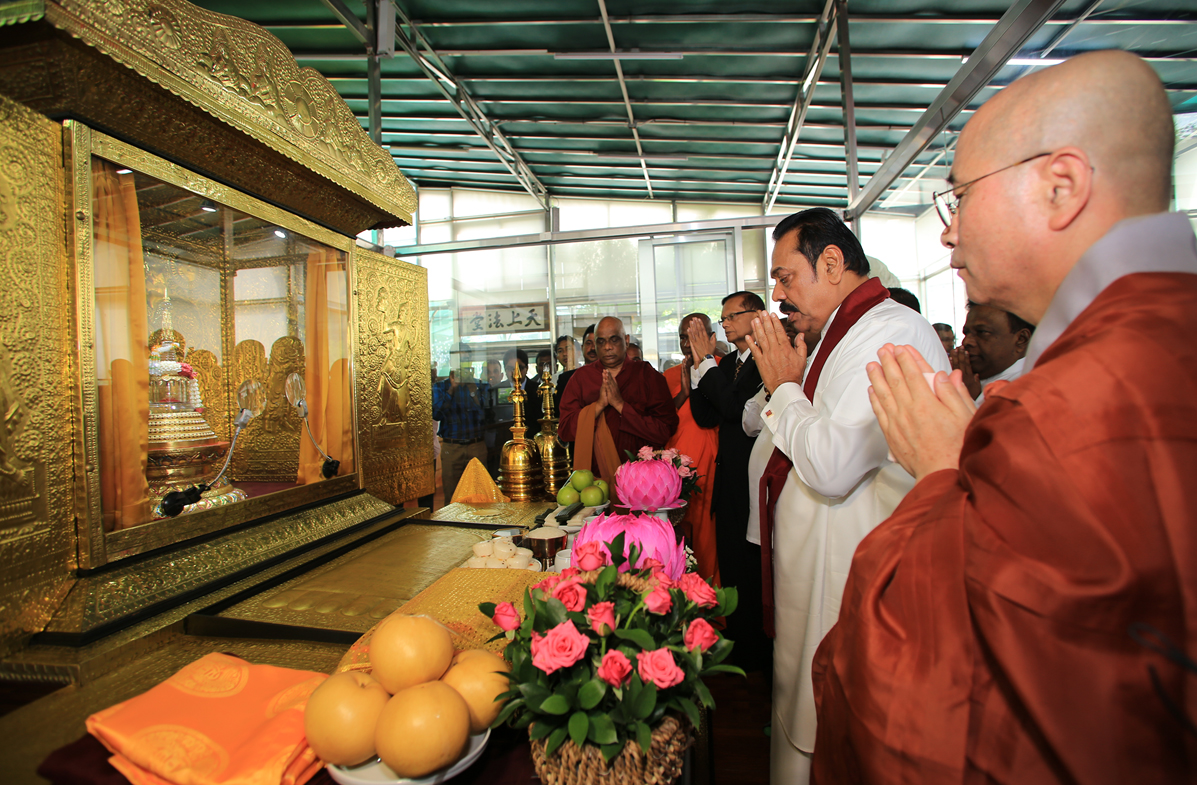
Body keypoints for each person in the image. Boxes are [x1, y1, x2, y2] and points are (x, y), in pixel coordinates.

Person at [813, 51, 1197, 784]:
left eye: (958, 195)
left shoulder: (1072, 403)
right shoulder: (1152, 345)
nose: (948, 233)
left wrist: (939, 479)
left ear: (1061, 186)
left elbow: (937, 711)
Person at [745, 207, 948, 784]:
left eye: (785, 276)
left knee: (826, 740)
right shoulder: (843, 331)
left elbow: (832, 465)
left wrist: (785, 387)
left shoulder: (889, 332)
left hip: (845, 575)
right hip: (819, 571)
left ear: (832, 263)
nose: (779, 293)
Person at [687, 292, 768, 668]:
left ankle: (757, 654)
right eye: (723, 319)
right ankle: (737, 648)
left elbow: (737, 409)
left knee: (753, 573)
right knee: (732, 568)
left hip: (754, 482)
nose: (725, 324)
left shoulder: (766, 358)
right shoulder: (731, 361)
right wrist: (696, 367)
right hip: (728, 481)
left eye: (732, 316)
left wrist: (706, 362)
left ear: (757, 315)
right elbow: (707, 414)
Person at [558, 317, 678, 483]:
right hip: (595, 481)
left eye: (614, 339)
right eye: (601, 342)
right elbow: (565, 431)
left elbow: (665, 430)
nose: (607, 347)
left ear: (626, 340)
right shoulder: (581, 378)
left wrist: (620, 405)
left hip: (642, 480)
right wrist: (598, 406)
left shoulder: (646, 375)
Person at [661, 313, 721, 583]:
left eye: (695, 335)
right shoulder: (669, 376)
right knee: (678, 537)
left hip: (714, 464)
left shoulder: (723, 369)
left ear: (711, 338)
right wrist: (683, 392)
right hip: (678, 469)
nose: (688, 342)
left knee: (711, 537)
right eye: (683, 336)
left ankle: (712, 601)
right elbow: (661, 419)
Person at [949, 301, 1034, 406]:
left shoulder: (1028, 388)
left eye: (982, 332)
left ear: (1021, 339)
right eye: (966, 333)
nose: (966, 342)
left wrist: (969, 399)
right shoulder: (969, 378)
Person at [431, 365, 490, 504]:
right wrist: (452, 389)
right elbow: (436, 414)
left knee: (482, 496)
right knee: (452, 497)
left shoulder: (480, 386)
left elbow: (487, 414)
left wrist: (472, 390)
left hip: (477, 445)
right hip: (452, 447)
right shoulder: (441, 387)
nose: (463, 373)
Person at [555, 323, 595, 416]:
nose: (593, 348)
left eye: (597, 343)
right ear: (582, 348)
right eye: (588, 343)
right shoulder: (566, 378)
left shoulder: (611, 374)